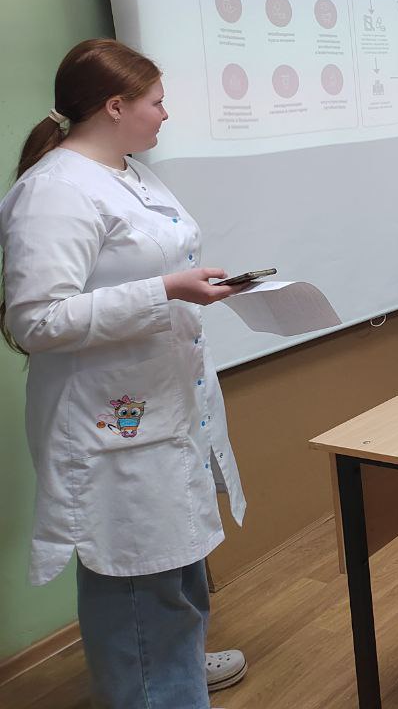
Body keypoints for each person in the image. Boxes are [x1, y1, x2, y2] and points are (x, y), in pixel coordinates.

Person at [0, 39, 249, 709]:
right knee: (137, 576)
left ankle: (175, 670)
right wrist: (164, 290)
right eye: (156, 102)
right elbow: (35, 320)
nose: (166, 114)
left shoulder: (129, 173)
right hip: (109, 425)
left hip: (161, 403)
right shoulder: (53, 191)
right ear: (115, 106)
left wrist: (183, 285)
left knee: (175, 563)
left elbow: (151, 263)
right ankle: (154, 687)